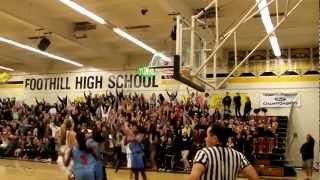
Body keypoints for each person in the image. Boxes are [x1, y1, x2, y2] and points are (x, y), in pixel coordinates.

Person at [189, 123, 259, 180]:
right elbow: (254, 177)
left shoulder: (204, 153)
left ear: (214, 138)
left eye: (207, 136)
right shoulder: (238, 155)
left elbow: (193, 178)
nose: (205, 139)